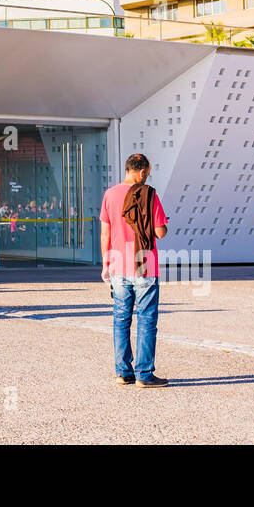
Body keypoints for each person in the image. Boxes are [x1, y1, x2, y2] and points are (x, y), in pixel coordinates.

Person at [99, 153, 170, 388]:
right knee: (147, 320)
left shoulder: (109, 195)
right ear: (141, 172)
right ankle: (144, 374)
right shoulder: (149, 194)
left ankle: (123, 372)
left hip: (118, 265)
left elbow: (105, 234)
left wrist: (105, 264)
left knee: (121, 319)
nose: (147, 177)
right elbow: (160, 232)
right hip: (145, 264)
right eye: (147, 173)